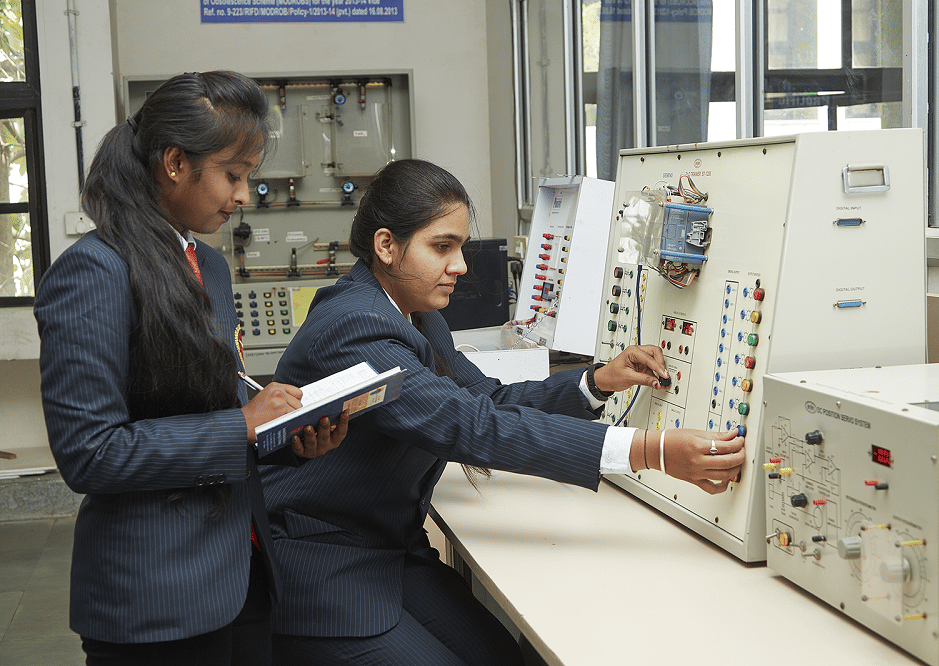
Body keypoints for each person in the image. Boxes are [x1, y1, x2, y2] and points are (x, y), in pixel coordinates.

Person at [261, 158, 746, 666]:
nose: (461, 266)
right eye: (441, 247)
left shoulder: (415, 315)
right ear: (386, 246)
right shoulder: (356, 323)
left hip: (388, 549)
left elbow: (486, 401)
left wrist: (596, 381)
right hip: (322, 564)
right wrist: (653, 451)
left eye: (461, 248)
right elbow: (469, 426)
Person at [33, 71, 348, 666]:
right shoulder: (95, 271)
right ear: (175, 162)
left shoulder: (205, 262)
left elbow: (217, 408)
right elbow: (89, 453)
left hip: (240, 571)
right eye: (233, 175)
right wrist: (242, 426)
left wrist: (286, 437)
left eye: (250, 176)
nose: (244, 195)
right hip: (157, 598)